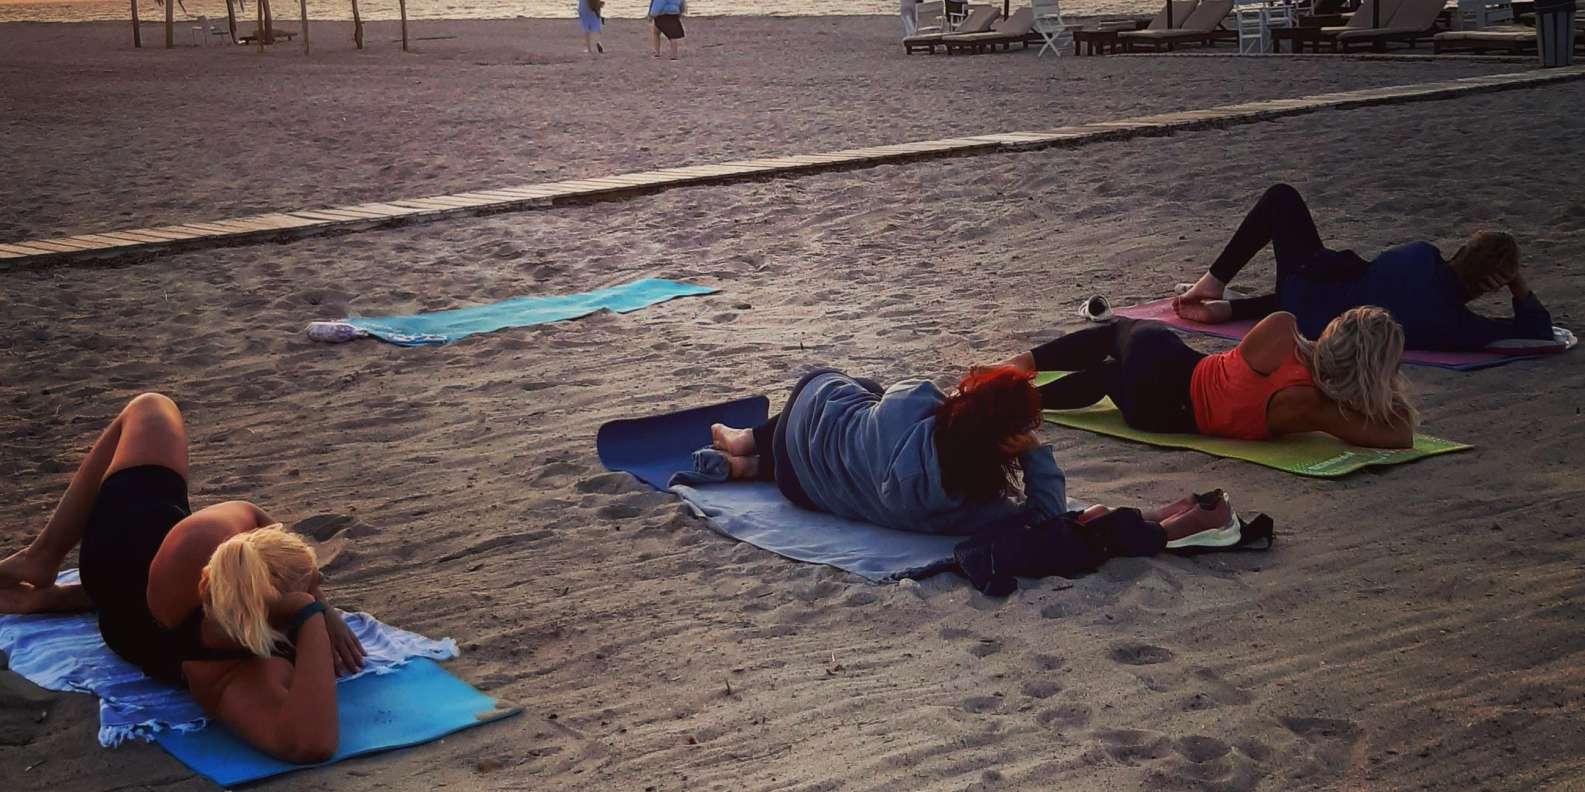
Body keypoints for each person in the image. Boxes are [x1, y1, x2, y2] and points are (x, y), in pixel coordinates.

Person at [0, 393, 365, 764]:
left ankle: (45, 563)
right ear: (276, 612)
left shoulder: (206, 555)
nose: (319, 587)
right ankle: (57, 584)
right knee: (150, 411)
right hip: (134, 574)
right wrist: (312, 616)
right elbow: (310, 743)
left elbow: (252, 514)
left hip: (122, 563)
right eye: (311, 585)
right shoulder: (232, 669)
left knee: (150, 407)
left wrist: (322, 608)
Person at [1174, 183, 1555, 352]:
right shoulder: (1457, 327)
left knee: (1281, 197)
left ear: (1461, 251)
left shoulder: (1422, 256)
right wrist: (1517, 284)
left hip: (1306, 290)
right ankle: (1233, 309)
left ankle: (1214, 283)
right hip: (1313, 318)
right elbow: (1539, 333)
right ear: (1491, 285)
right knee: (1346, 297)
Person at [1003, 308, 1417, 448]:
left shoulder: (1281, 329)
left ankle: (1020, 366)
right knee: (1109, 378)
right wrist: (1378, 389)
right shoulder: (1313, 407)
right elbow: (1401, 434)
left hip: (1171, 366)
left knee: (1119, 333)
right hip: (1160, 415)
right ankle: (1025, 399)